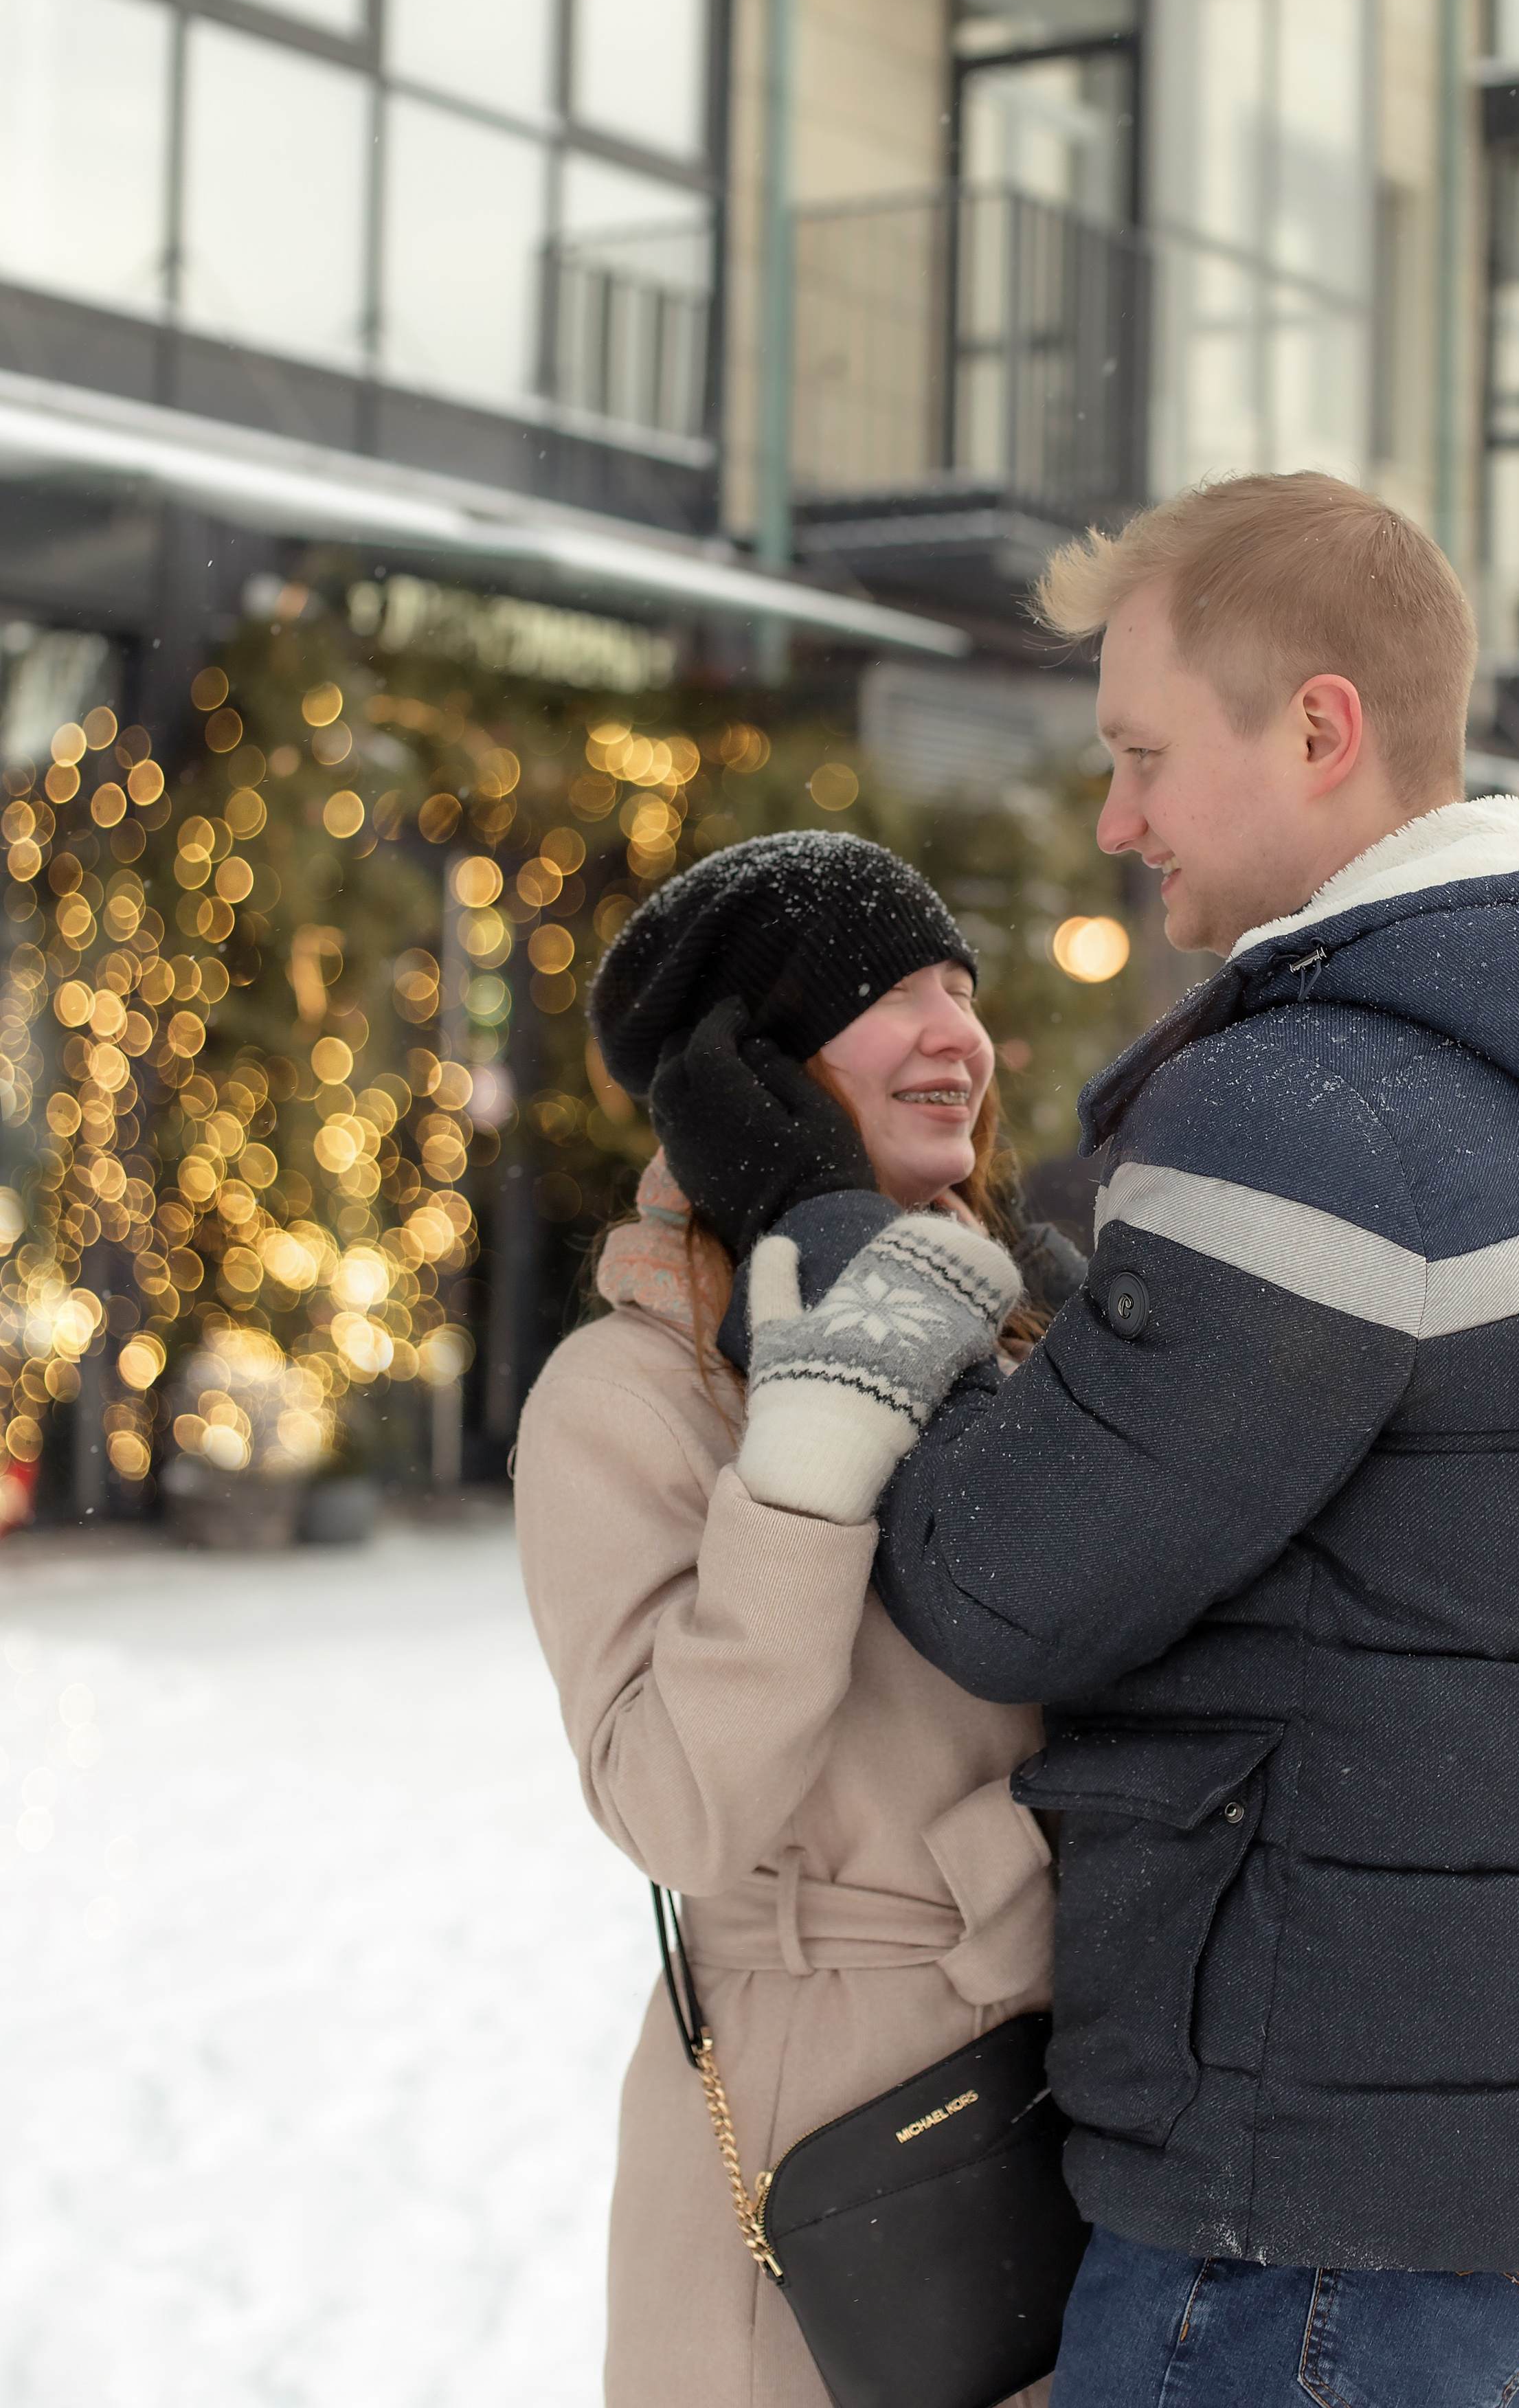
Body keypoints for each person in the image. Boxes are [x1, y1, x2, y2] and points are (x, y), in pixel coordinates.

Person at [657, 475, 1519, 2406]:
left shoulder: (1319, 1108)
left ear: (1320, 729)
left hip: (1335, 2188)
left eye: (1146, 752)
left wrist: (825, 1232)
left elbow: (1000, 1587)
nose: (1118, 818)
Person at [513, 830, 1080, 2408]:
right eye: (888, 993)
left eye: (959, 989)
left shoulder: (1036, 1327)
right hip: (819, 2124)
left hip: (1073, 2076)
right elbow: (677, 1809)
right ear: (747, 1071)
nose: (952, 1034)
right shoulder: (624, 1396)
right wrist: (810, 1466)